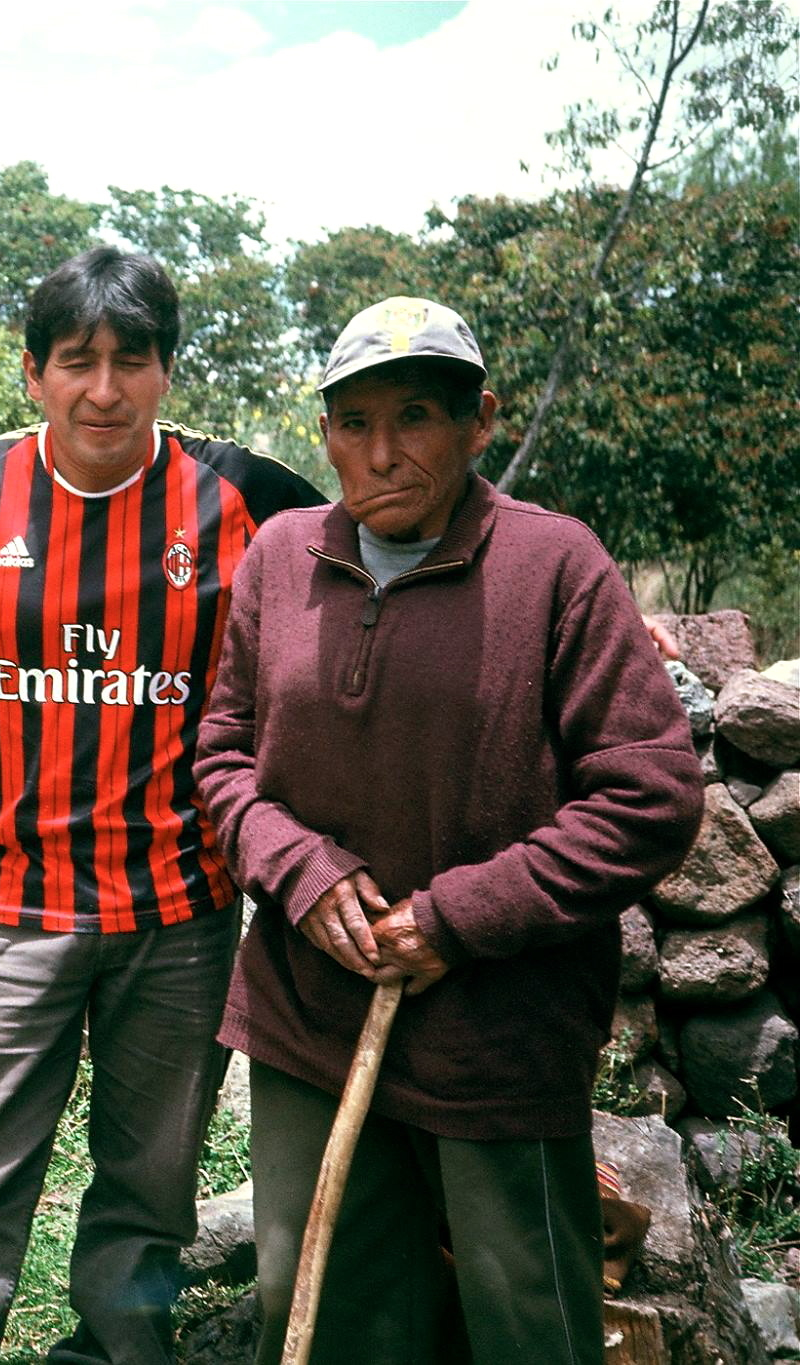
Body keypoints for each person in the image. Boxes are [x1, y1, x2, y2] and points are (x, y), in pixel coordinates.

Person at [194, 296, 705, 1364]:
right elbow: (222, 758)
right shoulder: (280, 558)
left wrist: (455, 918)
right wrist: (299, 873)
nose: (380, 453)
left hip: (496, 1028)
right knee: (324, 1300)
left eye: (415, 416)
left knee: (526, 1314)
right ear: (323, 432)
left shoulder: (553, 566)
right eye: (352, 423)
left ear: (478, 422)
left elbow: (646, 793)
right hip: (309, 1008)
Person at [0, 247, 325, 1365]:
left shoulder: (242, 493)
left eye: (132, 361)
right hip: (16, 900)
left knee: (149, 1177)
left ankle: (116, 1350)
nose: (104, 390)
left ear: (167, 371)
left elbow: (370, 543)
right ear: (33, 373)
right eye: (76, 362)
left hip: (180, 904)